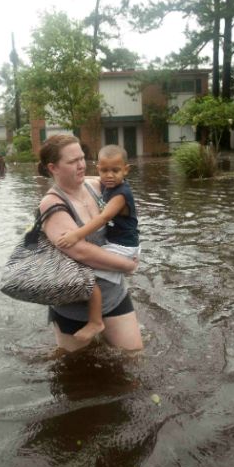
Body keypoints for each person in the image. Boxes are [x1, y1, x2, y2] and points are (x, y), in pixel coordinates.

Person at [37, 134, 143, 353]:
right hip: (74, 307)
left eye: (83, 158)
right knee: (75, 372)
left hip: (114, 296)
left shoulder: (96, 186)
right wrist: (128, 265)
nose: (81, 165)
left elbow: (118, 176)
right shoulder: (52, 204)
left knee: (134, 357)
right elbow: (81, 252)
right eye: (72, 161)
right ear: (53, 167)